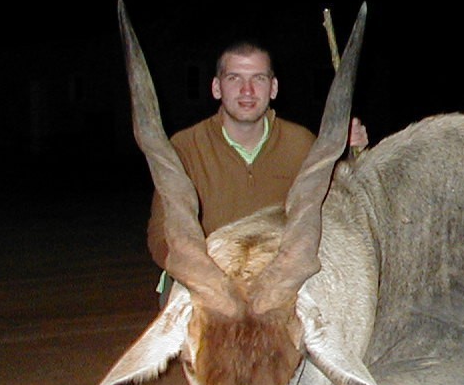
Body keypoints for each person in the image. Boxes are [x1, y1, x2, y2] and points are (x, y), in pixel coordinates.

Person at [148, 38, 367, 306]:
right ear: (217, 87)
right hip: (208, 284)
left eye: (259, 79)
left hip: (278, 285)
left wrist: (349, 155)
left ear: (273, 88)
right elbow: (161, 234)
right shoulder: (184, 148)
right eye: (234, 78)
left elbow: (334, 215)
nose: (247, 90)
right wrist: (209, 279)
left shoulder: (303, 144)